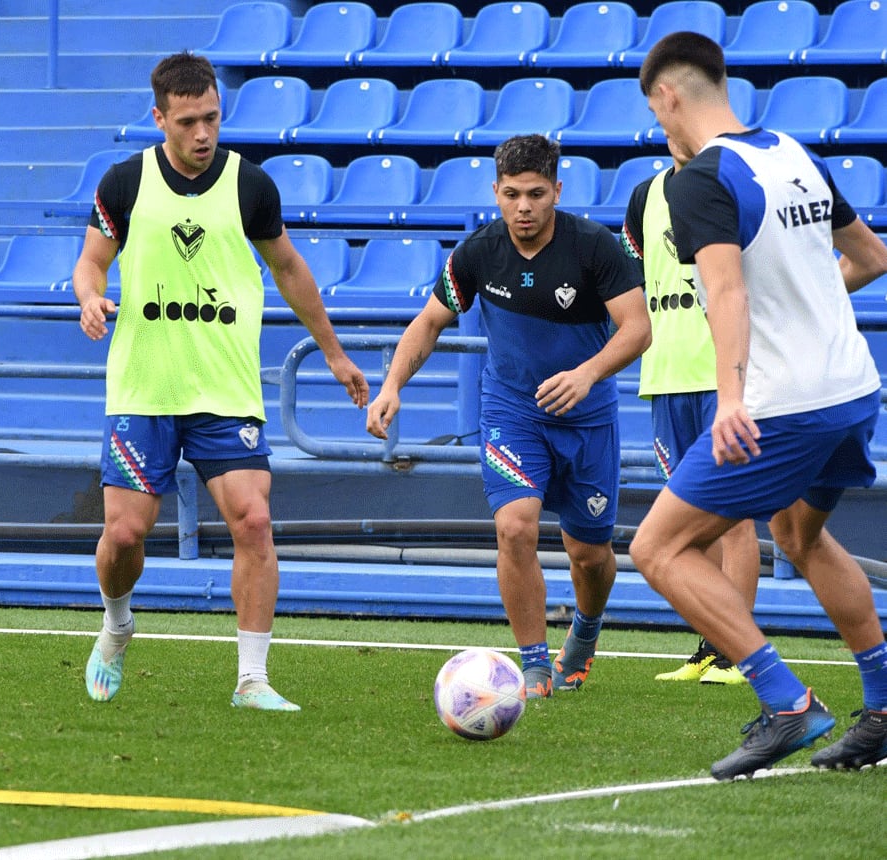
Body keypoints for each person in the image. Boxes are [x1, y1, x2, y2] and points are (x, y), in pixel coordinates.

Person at [72, 52, 369, 711]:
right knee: (123, 536)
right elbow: (90, 264)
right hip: (144, 388)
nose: (203, 134)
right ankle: (118, 625)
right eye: (187, 122)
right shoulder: (123, 184)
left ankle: (252, 679)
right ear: (160, 119)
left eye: (211, 118)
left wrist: (335, 354)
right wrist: (90, 298)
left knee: (254, 521)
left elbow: (290, 270)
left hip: (225, 389)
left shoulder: (250, 186)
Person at [630, 31, 887, 778]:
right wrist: (805, 312)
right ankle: (881, 708)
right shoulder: (793, 153)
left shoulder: (698, 179)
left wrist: (731, 397)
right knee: (799, 539)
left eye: (657, 113)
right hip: (850, 389)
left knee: (656, 548)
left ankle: (786, 703)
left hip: (783, 403)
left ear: (669, 95)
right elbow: (872, 258)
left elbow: (726, 292)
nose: (661, 129)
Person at [367, 134, 651, 700]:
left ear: (557, 192)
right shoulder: (477, 252)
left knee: (588, 554)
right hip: (512, 410)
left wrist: (587, 373)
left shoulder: (595, 248)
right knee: (514, 526)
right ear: (496, 192)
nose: (524, 207)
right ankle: (535, 663)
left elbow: (639, 327)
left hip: (587, 417)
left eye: (537, 194)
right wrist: (392, 385)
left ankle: (585, 635)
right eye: (513, 194)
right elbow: (427, 324)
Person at [621, 138, 758, 686]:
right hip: (665, 376)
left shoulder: (732, 187)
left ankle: (740, 653)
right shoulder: (643, 196)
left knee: (735, 517)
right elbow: (636, 284)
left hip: (719, 378)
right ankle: (711, 643)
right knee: (689, 526)